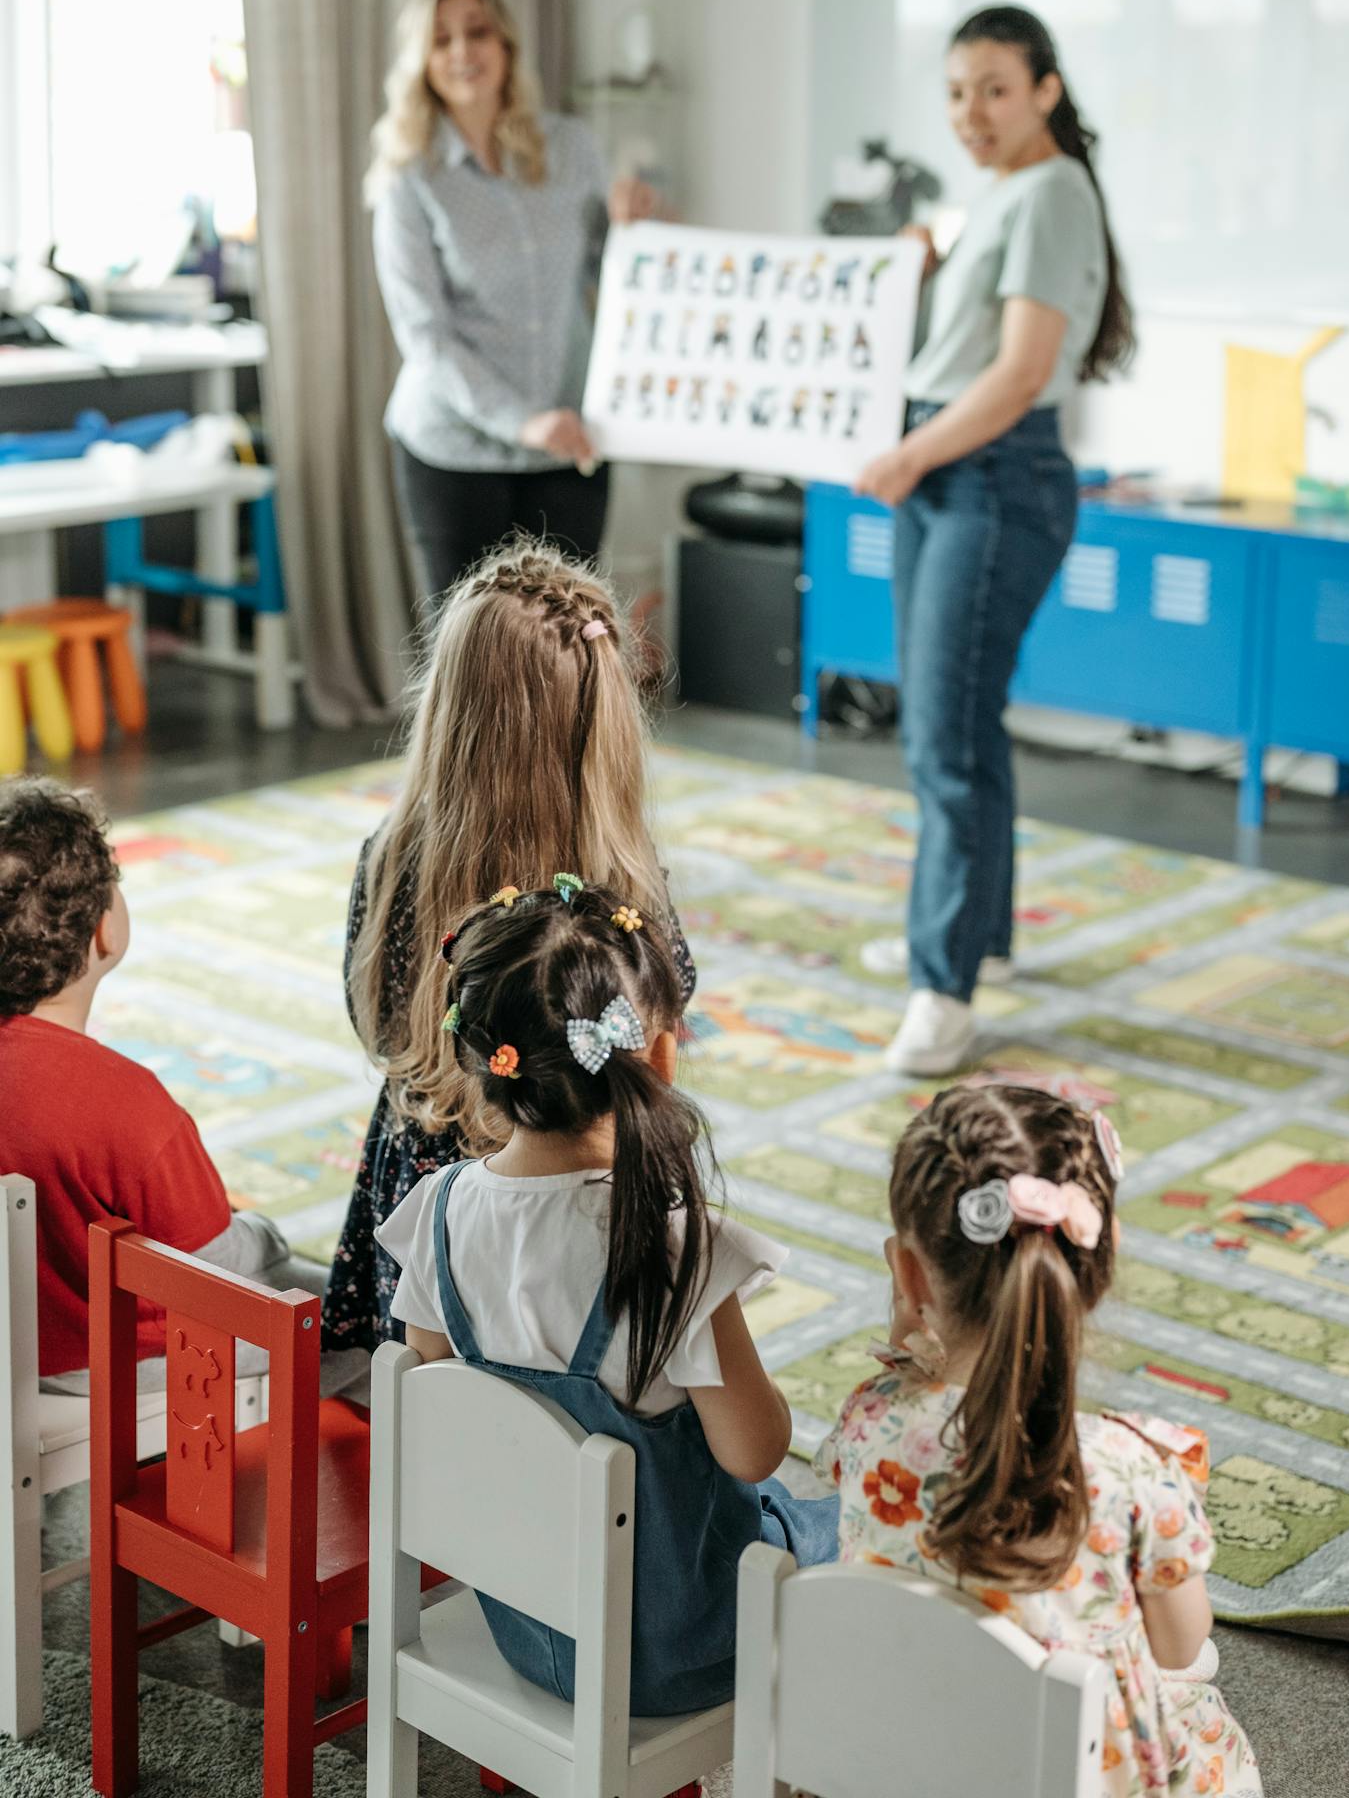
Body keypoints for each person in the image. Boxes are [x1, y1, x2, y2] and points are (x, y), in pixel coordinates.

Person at [378, 882, 839, 1714]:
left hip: (521, 1623)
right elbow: (756, 1452)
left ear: (482, 1065)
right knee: (857, 1532)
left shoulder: (438, 1213)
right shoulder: (672, 1248)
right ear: (658, 1056)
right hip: (677, 1650)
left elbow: (428, 1391)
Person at [816, 1082, 1261, 1798]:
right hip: (1067, 1774)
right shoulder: (1132, 1470)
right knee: (1201, 1709)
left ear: (905, 1270)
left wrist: (905, 1333)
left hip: (898, 1762)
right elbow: (1179, 1645)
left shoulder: (869, 1419)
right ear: (1102, 1259)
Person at [322, 540, 696, 1354]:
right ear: (607, 724)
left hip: (433, 1217)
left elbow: (378, 1028)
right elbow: (662, 1028)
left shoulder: (392, 860)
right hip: (585, 1202)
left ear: (449, 707)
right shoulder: (626, 888)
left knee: (439, 1403)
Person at [854, 4, 1135, 1075]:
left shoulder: (1053, 190)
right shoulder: (1007, 194)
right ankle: (979, 936)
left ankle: (944, 982)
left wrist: (914, 452)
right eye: (955, 92)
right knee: (961, 722)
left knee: (944, 736)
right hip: (953, 472)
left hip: (990, 473)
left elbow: (1017, 373)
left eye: (993, 89)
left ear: (1045, 91)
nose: (970, 112)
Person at [0, 778, 364, 1395]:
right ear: (105, 932)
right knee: (354, 1321)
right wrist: (265, 1236)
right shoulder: (124, 1102)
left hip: (19, 1353)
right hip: (123, 1369)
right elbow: (217, 1268)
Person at [366, 0, 657, 603]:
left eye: (478, 33)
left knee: (568, 646)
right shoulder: (409, 180)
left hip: (568, 443)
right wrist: (522, 421)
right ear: (422, 61)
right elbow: (426, 337)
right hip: (454, 449)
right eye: (442, 40)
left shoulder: (572, 148)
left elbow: (610, 275)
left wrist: (634, 226)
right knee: (470, 664)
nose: (463, 52)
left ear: (507, 47)